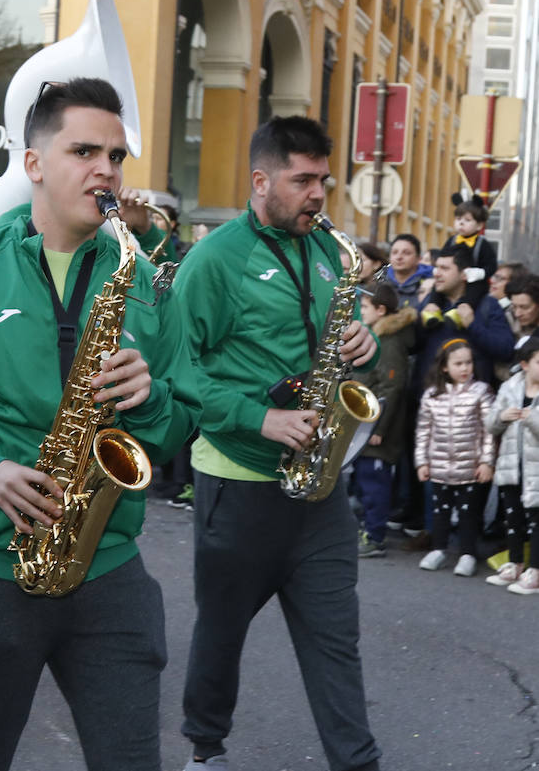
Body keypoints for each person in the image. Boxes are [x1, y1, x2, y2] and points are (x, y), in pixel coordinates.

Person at [0, 77, 199, 771]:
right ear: (35, 163)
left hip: (110, 567)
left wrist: (153, 397)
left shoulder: (146, 277)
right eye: (84, 150)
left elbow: (178, 426)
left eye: (115, 155)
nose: (106, 168)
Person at [170, 115, 381, 771]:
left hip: (318, 486)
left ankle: (358, 761)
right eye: (303, 180)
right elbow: (176, 369)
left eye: (323, 179)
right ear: (261, 180)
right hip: (237, 479)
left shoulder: (329, 252)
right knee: (222, 631)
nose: (318, 194)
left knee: (335, 640)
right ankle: (207, 749)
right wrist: (259, 419)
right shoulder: (214, 259)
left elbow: (343, 354)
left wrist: (362, 349)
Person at [414, 339, 495, 575]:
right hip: (439, 466)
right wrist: (422, 462)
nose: (465, 368)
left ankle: (467, 553)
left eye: (468, 363)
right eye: (458, 363)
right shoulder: (431, 395)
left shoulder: (481, 391)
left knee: (469, 513)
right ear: (444, 367)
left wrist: (487, 461)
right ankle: (439, 549)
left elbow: (489, 430)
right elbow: (423, 431)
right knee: (440, 510)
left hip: (471, 466)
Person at [350, 282, 415, 557]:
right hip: (365, 424)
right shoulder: (376, 334)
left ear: (380, 309)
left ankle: (375, 536)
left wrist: (378, 426)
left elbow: (392, 387)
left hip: (376, 428)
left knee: (375, 483)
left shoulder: (389, 340)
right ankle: (367, 528)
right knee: (364, 481)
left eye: (363, 307)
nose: (359, 311)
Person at [415, 245, 513, 390]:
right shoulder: (430, 302)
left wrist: (472, 325)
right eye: (437, 268)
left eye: (445, 268)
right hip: (429, 401)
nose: (437, 273)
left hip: (472, 404)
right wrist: (420, 322)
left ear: (464, 274)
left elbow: (505, 350)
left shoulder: (488, 305)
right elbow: (413, 347)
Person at [484, 339, 539, 591]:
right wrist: (502, 417)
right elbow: (490, 423)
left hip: (535, 468)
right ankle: (515, 563)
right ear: (524, 364)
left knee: (536, 520)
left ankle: (535, 571)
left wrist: (532, 419)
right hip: (510, 464)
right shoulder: (509, 386)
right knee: (513, 517)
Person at [418, 198, 496, 329]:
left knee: (475, 291)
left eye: (467, 220)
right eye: (458, 219)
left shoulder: (483, 244)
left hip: (474, 280)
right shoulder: (452, 240)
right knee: (437, 288)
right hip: (451, 277)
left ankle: (461, 313)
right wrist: (438, 268)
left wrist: (481, 273)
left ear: (479, 225)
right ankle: (433, 310)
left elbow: (491, 265)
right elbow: (442, 256)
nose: (461, 223)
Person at [383, 233, 432, 309]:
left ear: (418, 259)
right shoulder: (382, 286)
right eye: (395, 252)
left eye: (406, 253)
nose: (399, 257)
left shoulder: (429, 288)